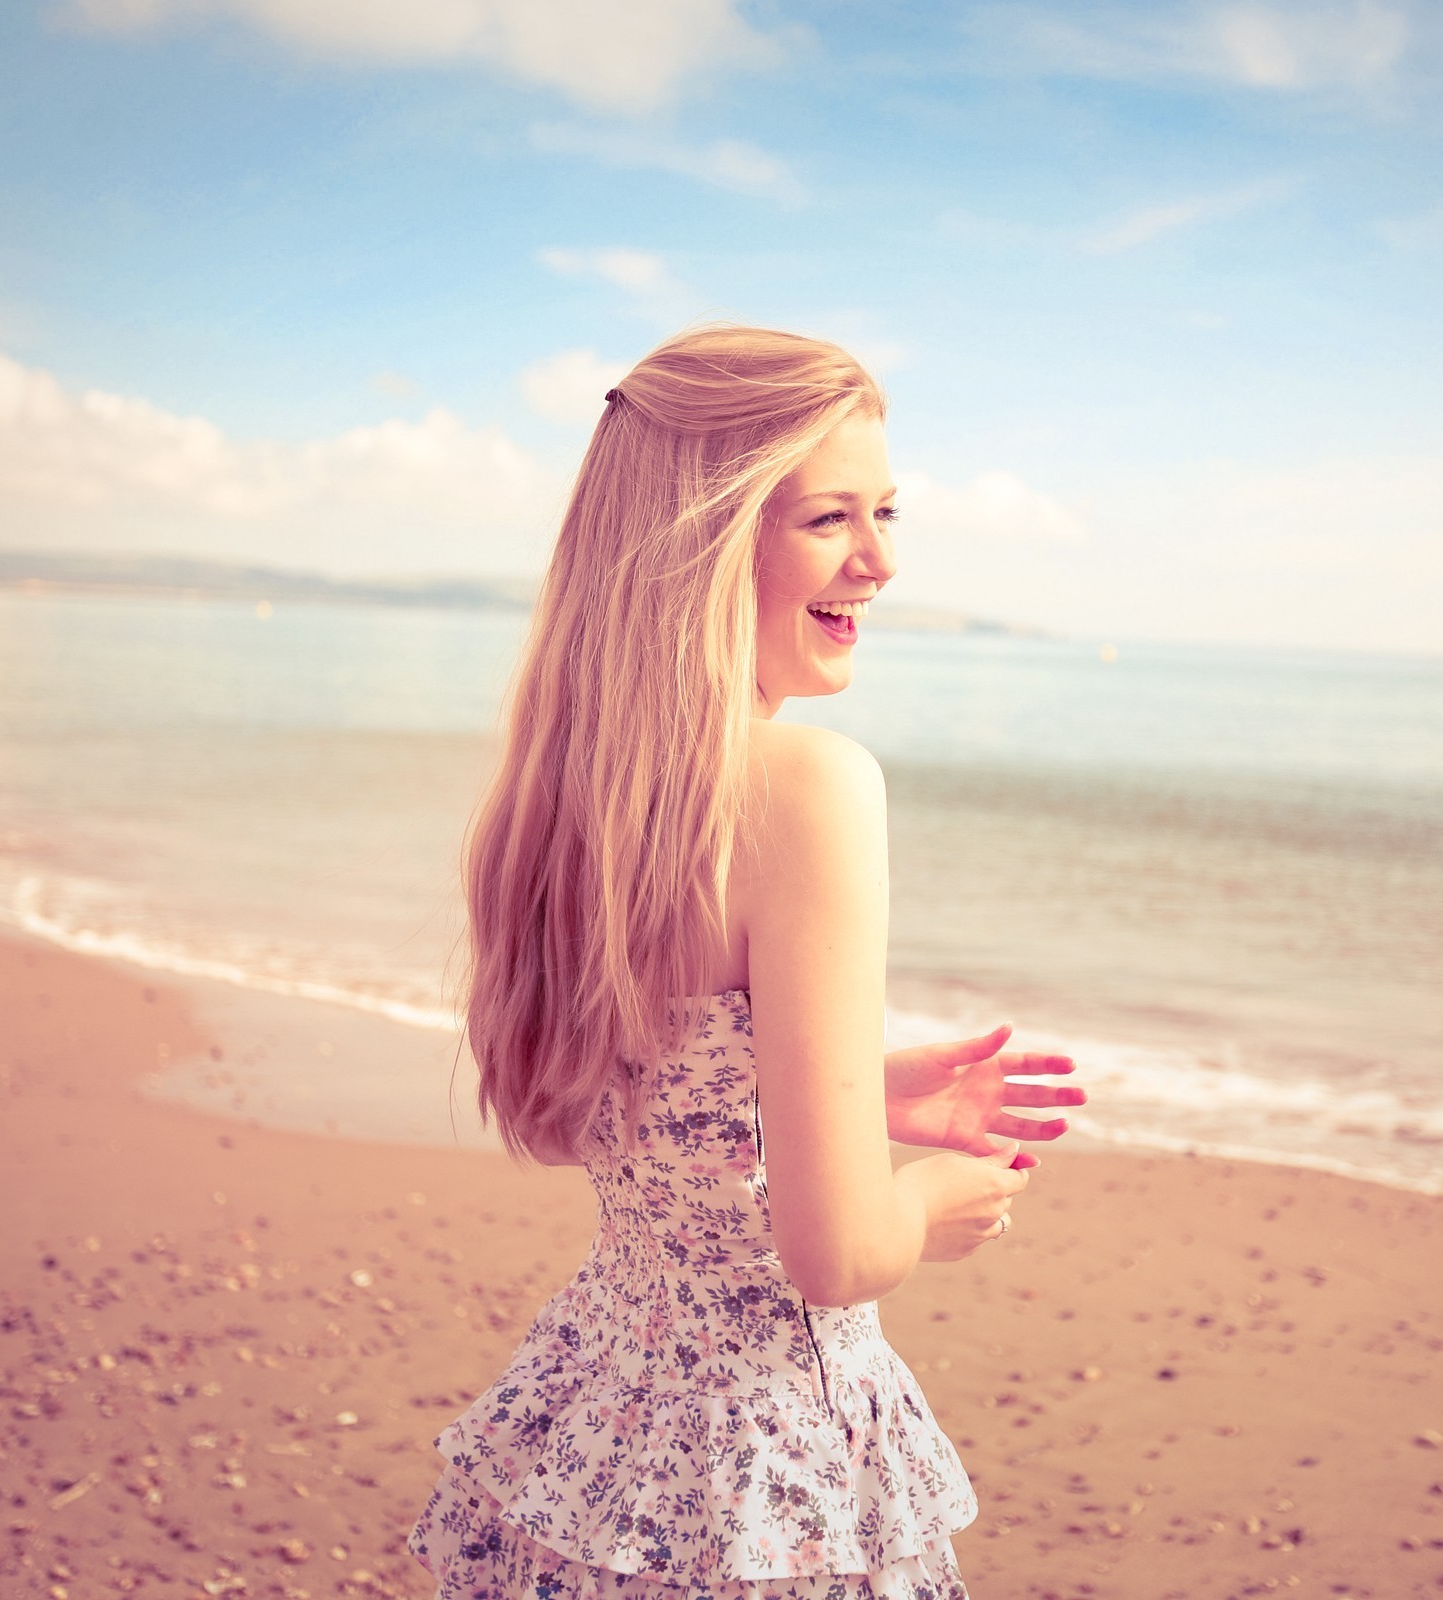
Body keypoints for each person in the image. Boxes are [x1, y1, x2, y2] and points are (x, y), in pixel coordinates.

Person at [409, 324, 1086, 1599]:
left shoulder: (564, 799)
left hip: (592, 1438)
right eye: (830, 518)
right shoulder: (811, 788)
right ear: (703, 543)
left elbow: (585, 1115)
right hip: (756, 1485)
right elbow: (833, 1255)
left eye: (884, 511)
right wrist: (937, 1196)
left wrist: (845, 1092)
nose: (880, 562)